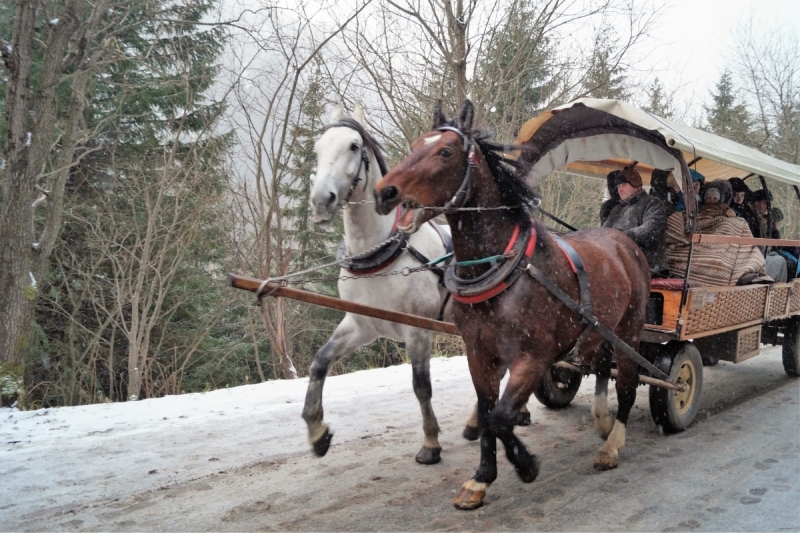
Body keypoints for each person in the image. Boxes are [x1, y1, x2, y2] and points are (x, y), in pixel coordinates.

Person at [602, 165, 668, 275]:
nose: (620, 190)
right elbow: (604, 232)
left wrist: (622, 236)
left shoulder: (652, 203)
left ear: (636, 185)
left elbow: (652, 230)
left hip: (648, 266)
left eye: (623, 184)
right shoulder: (617, 209)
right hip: (620, 264)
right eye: (618, 186)